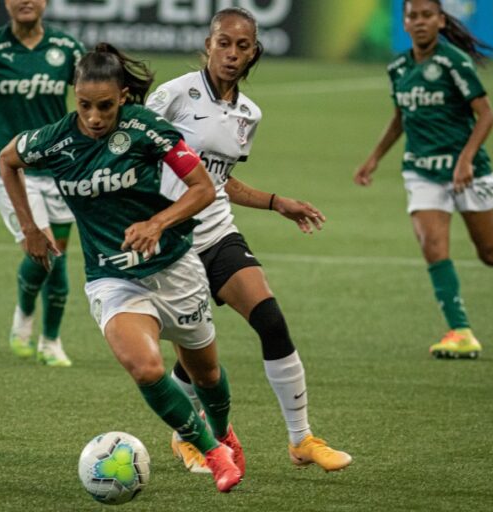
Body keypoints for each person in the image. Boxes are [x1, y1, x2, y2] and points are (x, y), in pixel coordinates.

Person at [0, 43, 244, 493]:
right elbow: (7, 159)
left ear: (124, 97)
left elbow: (202, 188)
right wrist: (30, 228)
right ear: (74, 97)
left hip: (174, 266)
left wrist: (157, 222)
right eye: (85, 106)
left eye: (105, 106)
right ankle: (211, 450)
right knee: (146, 368)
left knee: (206, 373)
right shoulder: (54, 139)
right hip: (112, 277)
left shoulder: (146, 128)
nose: (94, 117)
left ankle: (225, 432)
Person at [146, 7, 353, 473]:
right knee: (195, 358)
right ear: (208, 44)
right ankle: (186, 437)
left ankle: (301, 439)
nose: (232, 53)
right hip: (173, 244)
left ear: (254, 51)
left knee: (272, 321)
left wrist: (277, 201)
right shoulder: (173, 96)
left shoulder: (249, 113)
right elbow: (133, 152)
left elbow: (218, 181)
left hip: (218, 232)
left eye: (242, 46)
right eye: (224, 42)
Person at [354, 0, 493, 359]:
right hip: (421, 170)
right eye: (412, 16)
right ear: (404, 22)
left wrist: (465, 160)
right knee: (432, 244)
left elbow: (487, 115)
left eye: (427, 16)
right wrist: (374, 158)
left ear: (441, 21)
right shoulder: (398, 67)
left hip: (467, 172)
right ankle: (460, 330)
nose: (419, 22)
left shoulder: (453, 62)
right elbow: (402, 116)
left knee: (490, 253)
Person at [0, 0, 84, 367]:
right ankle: (31, 326)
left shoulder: (67, 48)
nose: (26, 1)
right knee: (44, 252)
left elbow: (90, 99)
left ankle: (47, 339)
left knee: (57, 254)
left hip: (59, 167)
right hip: (12, 170)